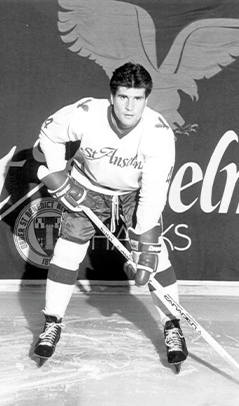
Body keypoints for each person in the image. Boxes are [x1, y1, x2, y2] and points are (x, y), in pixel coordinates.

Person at [33, 61, 188, 369]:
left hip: (133, 194)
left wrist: (146, 245)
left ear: (147, 98)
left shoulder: (158, 133)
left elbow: (154, 191)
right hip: (87, 186)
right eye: (123, 97)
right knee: (67, 249)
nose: (130, 106)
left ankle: (173, 327)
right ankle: (52, 323)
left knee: (157, 256)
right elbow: (48, 135)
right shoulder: (87, 114)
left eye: (138, 98)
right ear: (112, 96)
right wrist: (57, 175)